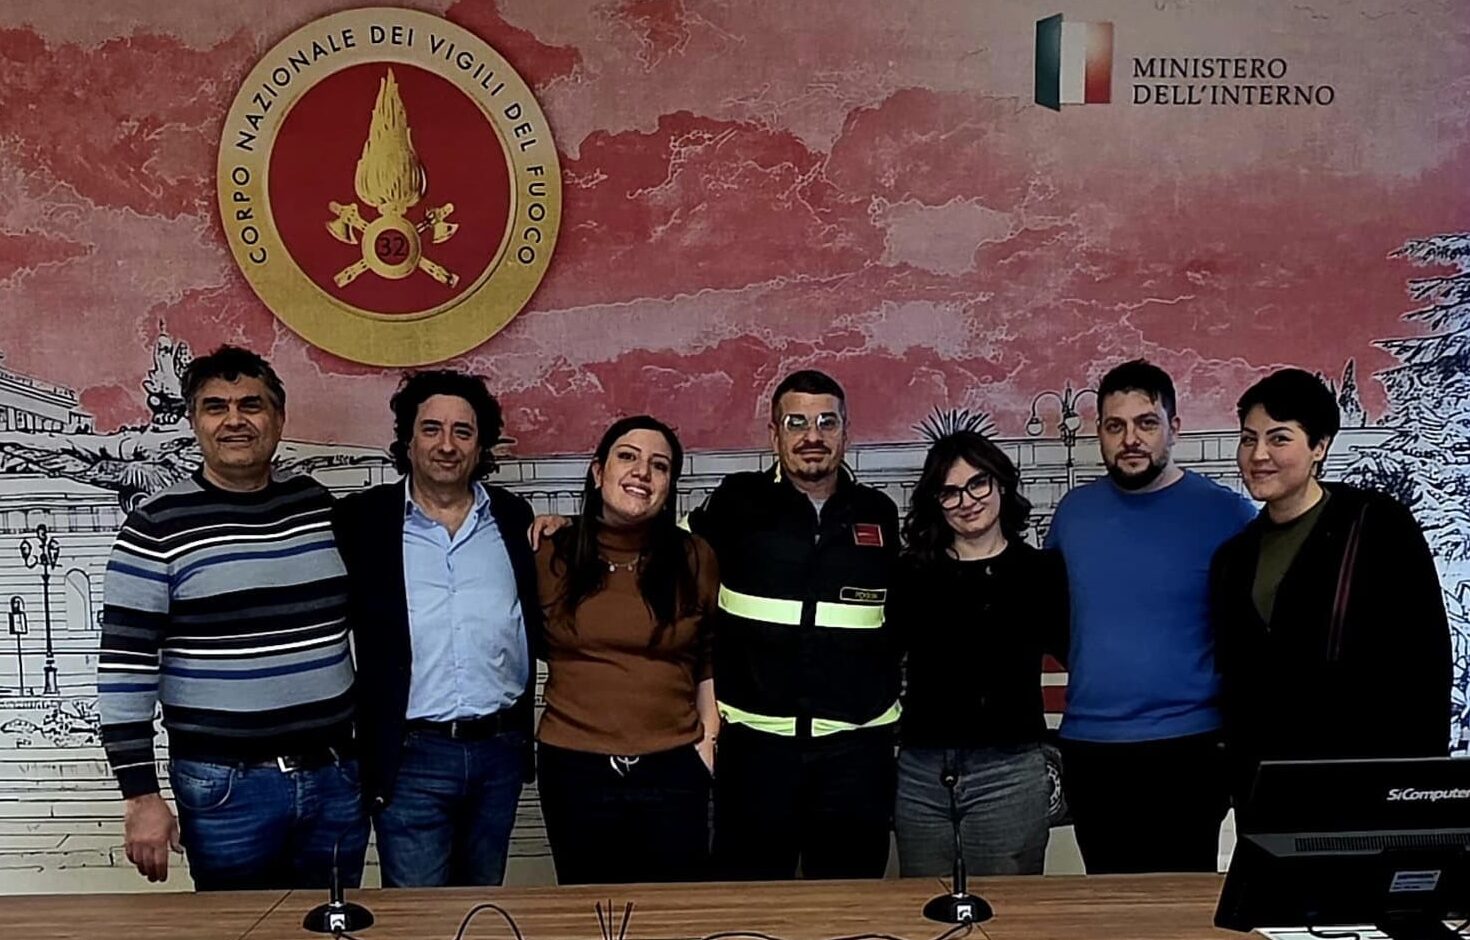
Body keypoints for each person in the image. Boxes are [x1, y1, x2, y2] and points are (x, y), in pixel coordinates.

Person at [98, 345, 366, 890]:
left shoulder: (317, 505)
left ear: (279, 419)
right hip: (226, 790)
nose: (235, 420)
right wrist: (140, 795)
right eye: (216, 407)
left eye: (252, 404)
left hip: (334, 777)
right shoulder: (155, 527)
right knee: (237, 926)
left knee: (332, 923)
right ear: (194, 421)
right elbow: (125, 669)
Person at [687, 369, 902, 880]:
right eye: (796, 423)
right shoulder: (737, 500)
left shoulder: (878, 512)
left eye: (827, 422)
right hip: (757, 753)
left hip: (856, 755)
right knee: (752, 903)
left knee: (850, 903)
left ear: (846, 431)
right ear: (774, 434)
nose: (812, 436)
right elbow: (661, 547)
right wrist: (571, 528)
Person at [1045, 359, 1256, 873]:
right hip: (1092, 748)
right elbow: (1054, 619)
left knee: (1181, 904)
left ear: (1173, 428)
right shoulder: (1074, 514)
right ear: (1099, 432)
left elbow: (1250, 631)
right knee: (1109, 901)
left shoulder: (1226, 515)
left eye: (1146, 423)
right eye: (1115, 426)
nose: (1130, 440)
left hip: (1190, 748)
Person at [333, 370, 538, 887]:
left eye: (462, 432)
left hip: (498, 751)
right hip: (411, 756)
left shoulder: (513, 518)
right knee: (417, 913)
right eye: (431, 429)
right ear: (408, 440)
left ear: (480, 445)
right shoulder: (363, 521)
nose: (447, 445)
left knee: (482, 906)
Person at [1211, 368, 1450, 810]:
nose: (1258, 454)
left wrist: (1419, 787)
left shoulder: (1376, 525)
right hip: (1268, 791)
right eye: (1248, 439)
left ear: (1319, 447)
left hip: (1365, 784)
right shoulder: (1233, 558)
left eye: (1279, 438)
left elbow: (1426, 663)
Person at [535, 415, 720, 884]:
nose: (642, 472)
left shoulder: (695, 556)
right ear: (599, 472)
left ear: (669, 485)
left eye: (659, 465)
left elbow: (708, 655)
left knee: (673, 913)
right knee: (588, 910)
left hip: (674, 766)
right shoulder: (551, 552)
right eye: (628, 457)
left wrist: (707, 744)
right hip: (574, 768)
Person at [890, 431, 1069, 877]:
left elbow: (1078, 654)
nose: (966, 501)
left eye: (977, 484)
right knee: (924, 902)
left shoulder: (1042, 572)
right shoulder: (911, 572)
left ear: (1001, 484)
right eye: (950, 491)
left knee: (1008, 906)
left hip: (1010, 770)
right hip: (922, 772)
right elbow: (880, 659)